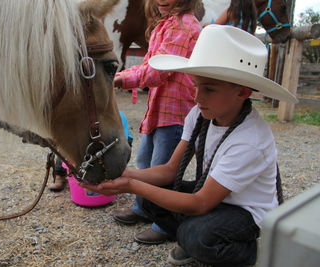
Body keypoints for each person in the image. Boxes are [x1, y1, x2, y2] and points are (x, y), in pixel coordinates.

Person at [83, 25, 298, 266]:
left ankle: (246, 251)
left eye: (209, 88)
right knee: (148, 200)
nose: (197, 97)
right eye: (196, 85)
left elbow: (201, 203)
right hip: (215, 198)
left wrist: (131, 185)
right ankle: (201, 233)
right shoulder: (199, 114)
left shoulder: (250, 141)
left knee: (196, 235)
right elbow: (169, 171)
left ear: (243, 91)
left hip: (246, 213)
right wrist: (123, 175)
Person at [112, 0, 201, 244]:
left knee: (163, 169)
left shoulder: (184, 26)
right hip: (159, 109)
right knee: (145, 162)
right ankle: (143, 208)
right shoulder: (166, 24)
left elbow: (159, 70)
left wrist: (122, 79)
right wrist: (124, 74)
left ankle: (163, 222)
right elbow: (148, 63)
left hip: (176, 112)